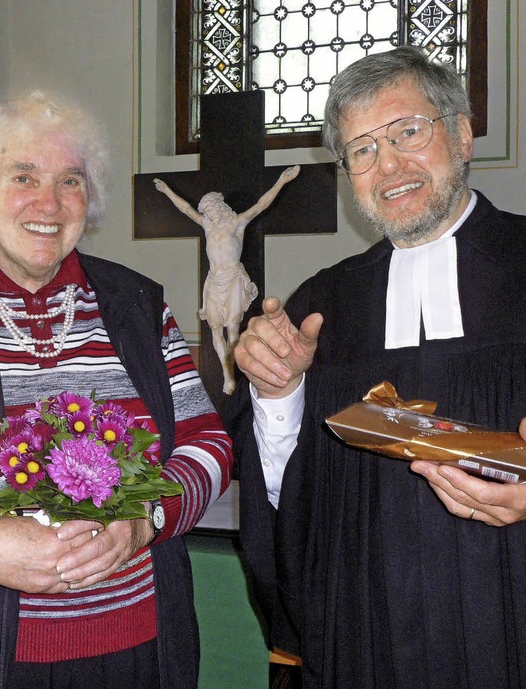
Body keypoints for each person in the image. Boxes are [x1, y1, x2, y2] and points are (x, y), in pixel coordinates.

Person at [0, 91, 233, 689]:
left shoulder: (138, 304)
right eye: (23, 176)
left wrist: (148, 518)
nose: (48, 202)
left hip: (139, 652)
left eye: (70, 181)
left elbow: (207, 441)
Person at [230, 46, 526, 689]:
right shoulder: (321, 305)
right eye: (361, 150)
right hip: (367, 635)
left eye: (408, 132)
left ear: (464, 132)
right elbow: (289, 499)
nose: (388, 165)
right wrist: (278, 393)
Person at [154, 166, 300, 395]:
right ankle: (226, 374)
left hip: (232, 278)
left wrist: (282, 180)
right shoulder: (208, 225)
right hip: (214, 281)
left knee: (232, 330)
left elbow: (261, 205)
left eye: (209, 209)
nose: (206, 214)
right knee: (214, 329)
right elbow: (185, 209)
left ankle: (235, 375)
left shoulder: (236, 223)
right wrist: (166, 191)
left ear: (217, 207)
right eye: (205, 211)